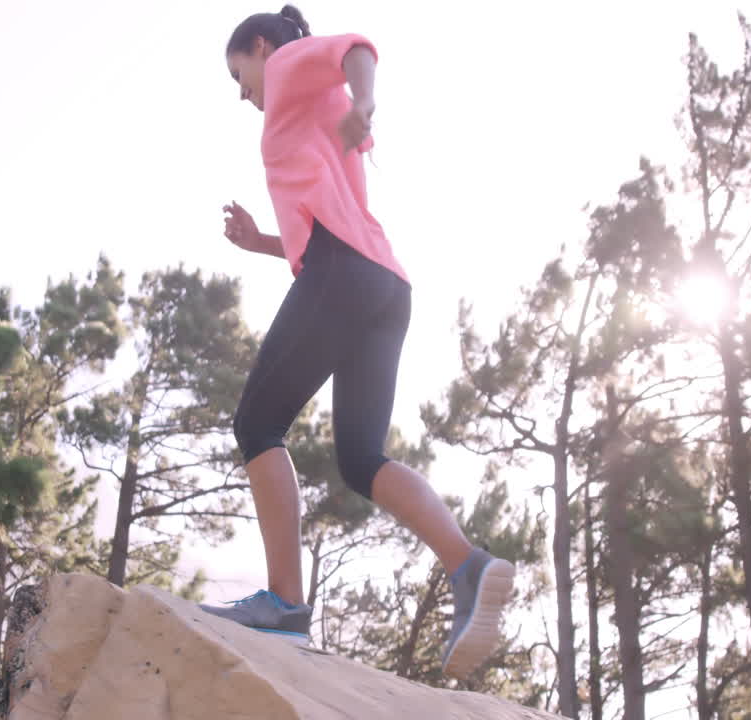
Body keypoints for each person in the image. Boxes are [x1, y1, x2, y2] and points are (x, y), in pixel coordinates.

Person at [200, 4, 515, 680]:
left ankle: (284, 602)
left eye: (239, 74)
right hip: (384, 286)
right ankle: (470, 566)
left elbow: (357, 45)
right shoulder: (312, 107)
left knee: (257, 423)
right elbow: (318, 225)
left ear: (261, 48)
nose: (244, 92)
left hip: (341, 273)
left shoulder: (288, 66)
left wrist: (368, 100)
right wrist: (259, 240)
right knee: (360, 458)